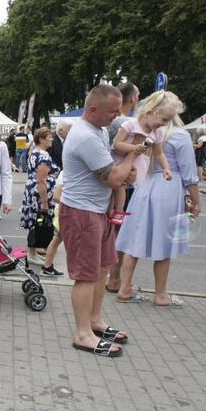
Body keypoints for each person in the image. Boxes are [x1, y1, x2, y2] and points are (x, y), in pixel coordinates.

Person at [61, 84, 138, 358]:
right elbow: (114, 178)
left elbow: (113, 173)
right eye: (112, 111)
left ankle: (95, 321)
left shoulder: (100, 130)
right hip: (82, 213)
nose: (116, 116)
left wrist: (122, 172)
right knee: (86, 275)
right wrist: (132, 154)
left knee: (103, 267)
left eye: (119, 111)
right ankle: (82, 333)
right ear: (93, 109)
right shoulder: (85, 136)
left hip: (98, 210)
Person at [116, 118, 200, 308]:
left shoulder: (148, 132)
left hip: (144, 185)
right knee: (164, 241)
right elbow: (189, 173)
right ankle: (160, 294)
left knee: (135, 239)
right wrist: (196, 200)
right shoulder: (179, 135)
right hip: (168, 187)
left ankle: (124, 288)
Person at [110, 91, 177, 225]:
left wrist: (166, 168)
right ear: (150, 112)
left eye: (168, 121)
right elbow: (116, 144)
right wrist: (133, 148)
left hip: (133, 163)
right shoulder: (130, 124)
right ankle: (111, 211)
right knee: (114, 187)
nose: (165, 124)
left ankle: (118, 211)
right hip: (117, 159)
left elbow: (159, 153)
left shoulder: (157, 133)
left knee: (122, 187)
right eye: (164, 119)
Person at [105, 82, 140, 294]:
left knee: (113, 229)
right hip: (123, 182)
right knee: (120, 232)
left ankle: (111, 277)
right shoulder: (128, 123)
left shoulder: (112, 122)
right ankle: (114, 279)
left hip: (112, 180)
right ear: (133, 99)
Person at [19, 127, 61, 264]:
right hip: (39, 194)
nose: (52, 139)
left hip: (33, 191)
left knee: (36, 221)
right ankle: (31, 253)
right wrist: (44, 202)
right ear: (42, 139)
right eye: (49, 137)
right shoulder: (43, 156)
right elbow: (41, 180)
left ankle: (34, 251)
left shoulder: (35, 152)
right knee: (38, 221)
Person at [41, 170, 65, 276]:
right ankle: (47, 267)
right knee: (57, 240)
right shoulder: (67, 173)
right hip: (64, 210)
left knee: (57, 239)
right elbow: (56, 196)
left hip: (63, 210)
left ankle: (47, 267)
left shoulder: (65, 172)